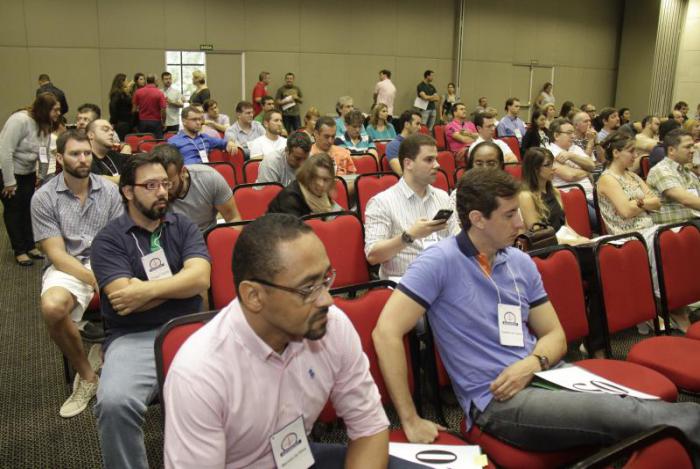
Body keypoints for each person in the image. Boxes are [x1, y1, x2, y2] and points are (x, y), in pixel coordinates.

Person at [372, 167, 700, 460]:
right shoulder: (438, 262)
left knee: (635, 412)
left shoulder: (519, 261)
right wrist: (409, 419)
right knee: (629, 415)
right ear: (477, 219)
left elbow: (554, 335)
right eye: (509, 215)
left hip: (546, 375)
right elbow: (385, 332)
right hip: (495, 398)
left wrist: (532, 363)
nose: (520, 222)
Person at [163, 213, 399, 468]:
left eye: (325, 279)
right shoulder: (199, 374)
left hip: (298, 456)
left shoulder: (330, 324)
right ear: (254, 296)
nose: (327, 300)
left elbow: (369, 426)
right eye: (308, 289)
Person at [90, 152, 211, 469]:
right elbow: (122, 299)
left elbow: (201, 279)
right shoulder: (108, 240)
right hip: (134, 337)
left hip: (190, 328)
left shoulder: (183, 226)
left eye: (165, 184)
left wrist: (144, 290)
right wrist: (179, 284)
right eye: (151, 185)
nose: (162, 192)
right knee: (114, 404)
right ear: (128, 191)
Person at [31, 129, 123, 417]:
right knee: (52, 307)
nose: (83, 159)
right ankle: (87, 376)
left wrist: (107, 272)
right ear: (60, 158)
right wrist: (95, 280)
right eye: (74, 154)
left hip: (106, 258)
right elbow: (57, 254)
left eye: (86, 153)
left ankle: (119, 358)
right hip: (68, 264)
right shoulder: (44, 197)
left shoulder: (109, 190)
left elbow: (118, 239)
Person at [365, 134, 459, 280]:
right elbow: (373, 256)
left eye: (436, 159)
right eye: (429, 160)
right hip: (403, 282)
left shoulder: (443, 197)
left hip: (443, 277)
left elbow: (457, 239)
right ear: (408, 163)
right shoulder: (381, 202)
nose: (437, 165)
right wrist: (409, 236)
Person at [0, 92, 60, 265]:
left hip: (28, 173)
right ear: (45, 109)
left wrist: (41, 175)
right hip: (8, 172)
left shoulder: (45, 123)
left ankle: (30, 245)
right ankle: (20, 250)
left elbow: (44, 152)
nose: (58, 113)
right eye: (55, 110)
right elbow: (5, 151)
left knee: (28, 208)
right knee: (14, 211)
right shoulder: (19, 120)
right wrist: (9, 181)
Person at [153, 144, 241, 231]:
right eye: (155, 184)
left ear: (183, 173)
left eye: (168, 184)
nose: (162, 191)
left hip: (207, 235)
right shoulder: (149, 190)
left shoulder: (209, 178)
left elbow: (233, 219)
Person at [519, 147, 589, 245]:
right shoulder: (526, 196)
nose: (553, 168)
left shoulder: (555, 191)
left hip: (563, 242)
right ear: (535, 169)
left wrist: (580, 239)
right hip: (546, 246)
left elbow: (565, 226)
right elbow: (538, 235)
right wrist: (573, 242)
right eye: (547, 165)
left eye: (553, 163)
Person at [597, 131, 660, 235]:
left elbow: (657, 203)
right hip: (629, 235)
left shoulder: (633, 176)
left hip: (649, 229)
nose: (635, 155)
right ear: (616, 153)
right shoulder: (607, 179)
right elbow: (627, 211)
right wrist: (645, 202)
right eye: (631, 151)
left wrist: (637, 203)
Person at [548, 118, 598, 229]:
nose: (573, 136)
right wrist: (587, 171)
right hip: (571, 197)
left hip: (591, 194)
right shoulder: (549, 152)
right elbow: (570, 175)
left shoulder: (575, 148)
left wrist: (571, 156)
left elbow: (592, 165)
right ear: (556, 135)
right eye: (569, 133)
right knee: (601, 221)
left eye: (573, 133)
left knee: (613, 214)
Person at [646, 128, 700, 225]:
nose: (692, 150)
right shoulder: (661, 170)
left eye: (693, 146)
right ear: (671, 150)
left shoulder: (689, 173)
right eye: (688, 147)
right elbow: (685, 200)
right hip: (674, 228)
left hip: (692, 224)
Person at [267, 153, 343, 217]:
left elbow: (340, 217)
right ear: (307, 176)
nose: (321, 184)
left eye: (325, 179)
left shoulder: (324, 194)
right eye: (315, 177)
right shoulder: (290, 197)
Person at [168, 106, 236, 165]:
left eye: (199, 119)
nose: (198, 123)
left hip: (206, 171)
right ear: (184, 121)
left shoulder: (205, 138)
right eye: (194, 120)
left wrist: (230, 143)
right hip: (188, 172)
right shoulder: (174, 141)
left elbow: (224, 143)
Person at [87, 119, 128, 184]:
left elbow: (137, 160)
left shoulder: (112, 154)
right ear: (91, 135)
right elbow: (97, 179)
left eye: (112, 130)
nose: (112, 133)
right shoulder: (85, 158)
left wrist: (127, 146)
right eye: (105, 129)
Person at [385, 111, 422, 175]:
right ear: (406, 124)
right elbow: (401, 172)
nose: (420, 127)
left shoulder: (419, 144)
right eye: (417, 124)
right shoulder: (393, 145)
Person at [132, 74, 166, 139]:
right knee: (158, 141)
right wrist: (163, 122)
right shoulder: (159, 93)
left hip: (142, 122)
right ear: (155, 81)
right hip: (156, 122)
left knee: (143, 141)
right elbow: (163, 110)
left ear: (146, 81)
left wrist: (134, 123)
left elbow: (134, 110)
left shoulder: (138, 92)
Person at [109, 73, 134, 140]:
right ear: (121, 82)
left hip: (125, 122)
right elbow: (112, 107)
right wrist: (114, 121)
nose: (127, 82)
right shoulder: (117, 93)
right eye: (126, 80)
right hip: (121, 123)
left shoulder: (123, 93)